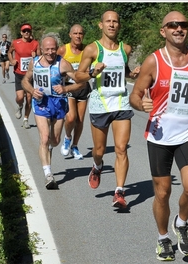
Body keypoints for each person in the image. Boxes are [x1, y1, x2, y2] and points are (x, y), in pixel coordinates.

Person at [129, 11, 188, 261]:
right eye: (172, 25)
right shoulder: (154, 61)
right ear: (163, 31)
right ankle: (163, 238)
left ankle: (182, 222)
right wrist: (140, 105)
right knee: (163, 193)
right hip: (160, 136)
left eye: (183, 25)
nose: (178, 29)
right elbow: (135, 94)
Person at [75, 10, 141, 209]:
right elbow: (78, 77)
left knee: (121, 149)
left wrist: (132, 74)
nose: (112, 25)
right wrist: (92, 72)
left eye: (115, 22)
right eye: (108, 21)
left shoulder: (125, 49)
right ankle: (97, 166)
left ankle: (119, 192)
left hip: (121, 103)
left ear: (119, 25)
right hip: (100, 104)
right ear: (100, 25)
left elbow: (124, 71)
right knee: (99, 150)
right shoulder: (92, 50)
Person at [22, 34, 86, 189]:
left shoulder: (63, 64)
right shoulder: (34, 62)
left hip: (58, 103)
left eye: (53, 49)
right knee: (44, 138)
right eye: (47, 49)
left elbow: (81, 83)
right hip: (41, 103)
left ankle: (51, 147)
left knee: (54, 140)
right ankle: (48, 174)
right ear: (41, 49)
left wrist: (65, 88)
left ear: (57, 49)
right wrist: (31, 90)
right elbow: (25, 81)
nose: (50, 52)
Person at [57, 24, 91, 160]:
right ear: (70, 35)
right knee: (71, 117)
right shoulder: (63, 50)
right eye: (75, 33)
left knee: (80, 120)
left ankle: (75, 146)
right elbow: (53, 64)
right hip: (69, 87)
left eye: (80, 33)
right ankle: (67, 137)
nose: (78, 36)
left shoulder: (88, 50)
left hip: (83, 88)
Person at [8, 23, 40, 129]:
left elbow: (40, 58)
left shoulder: (35, 43)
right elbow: (9, 52)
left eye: (28, 31)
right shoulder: (15, 43)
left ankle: (26, 119)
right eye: (24, 31)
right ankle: (20, 105)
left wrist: (36, 57)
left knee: (30, 98)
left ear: (31, 32)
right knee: (20, 97)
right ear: (21, 32)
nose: (27, 32)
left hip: (30, 75)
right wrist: (12, 60)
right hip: (19, 74)